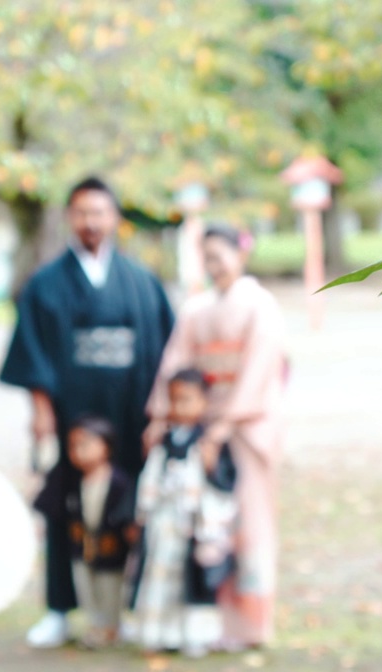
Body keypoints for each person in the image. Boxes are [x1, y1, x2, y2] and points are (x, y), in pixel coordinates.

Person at [0, 177, 174, 648]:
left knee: (133, 507)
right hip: (70, 414)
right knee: (64, 507)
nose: (91, 221)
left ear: (115, 217)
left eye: (100, 212)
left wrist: (160, 416)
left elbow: (166, 353)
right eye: (81, 212)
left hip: (130, 415)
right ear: (69, 218)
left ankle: (128, 609)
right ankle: (59, 609)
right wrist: (41, 412)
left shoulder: (141, 282)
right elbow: (32, 354)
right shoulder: (46, 284)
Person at [144, 225, 288, 649]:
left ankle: (253, 624)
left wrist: (227, 423)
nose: (212, 264)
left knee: (251, 522)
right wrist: (161, 415)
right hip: (202, 424)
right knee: (208, 524)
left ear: (240, 255)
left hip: (248, 425)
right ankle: (213, 619)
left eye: (219, 254)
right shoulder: (196, 309)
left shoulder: (261, 305)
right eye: (205, 256)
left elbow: (263, 366)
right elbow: (176, 362)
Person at [134, 368, 237, 657]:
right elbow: (152, 479)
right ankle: (161, 633)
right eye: (174, 400)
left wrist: (211, 467)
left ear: (204, 401)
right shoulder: (163, 440)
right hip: (165, 522)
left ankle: (196, 635)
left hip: (195, 524)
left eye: (187, 399)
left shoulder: (210, 442)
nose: (179, 407)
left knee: (194, 581)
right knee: (162, 578)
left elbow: (226, 484)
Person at [53, 417, 137, 648]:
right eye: (74, 446)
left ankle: (112, 627)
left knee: (110, 587)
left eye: (86, 444)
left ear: (106, 446)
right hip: (83, 546)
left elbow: (126, 513)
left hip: (111, 549)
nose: (79, 452)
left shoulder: (118, 481)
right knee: (86, 587)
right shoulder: (72, 482)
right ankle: (96, 625)